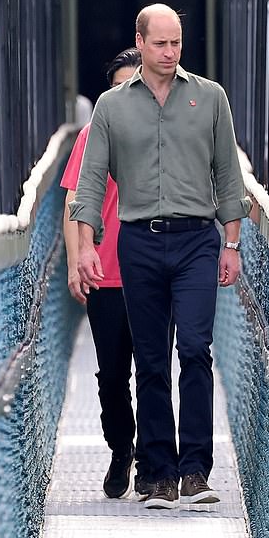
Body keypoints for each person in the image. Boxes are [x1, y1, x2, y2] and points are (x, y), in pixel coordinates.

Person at [71, 4, 251, 510]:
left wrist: (232, 243)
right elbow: (89, 179)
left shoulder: (211, 98)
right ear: (140, 41)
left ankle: (196, 469)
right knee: (149, 360)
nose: (170, 53)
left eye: (177, 43)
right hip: (139, 240)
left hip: (197, 240)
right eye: (161, 44)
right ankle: (158, 474)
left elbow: (229, 176)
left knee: (194, 350)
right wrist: (85, 245)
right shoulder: (110, 106)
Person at [61, 47, 150, 500]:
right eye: (116, 88)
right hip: (104, 272)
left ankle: (152, 463)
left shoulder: (162, 131)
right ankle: (121, 449)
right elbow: (73, 201)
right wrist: (77, 258)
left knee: (152, 369)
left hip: (152, 270)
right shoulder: (92, 134)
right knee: (112, 376)